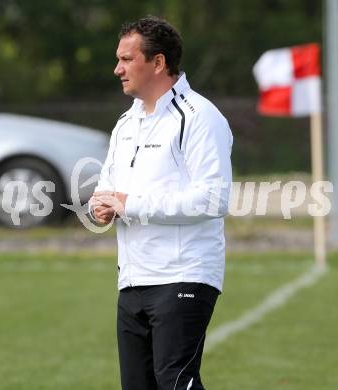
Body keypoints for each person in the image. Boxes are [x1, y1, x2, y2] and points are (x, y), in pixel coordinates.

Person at [89, 16, 233, 390]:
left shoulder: (200, 117)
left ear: (158, 62)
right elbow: (109, 188)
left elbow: (213, 199)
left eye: (126, 58)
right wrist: (100, 207)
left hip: (184, 275)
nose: (117, 68)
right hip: (133, 279)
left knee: (175, 382)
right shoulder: (125, 123)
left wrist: (129, 203)